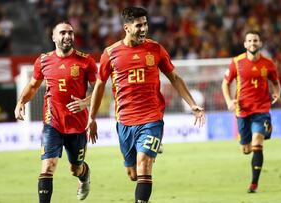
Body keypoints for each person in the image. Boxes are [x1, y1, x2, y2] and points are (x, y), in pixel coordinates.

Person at [86, 7, 205, 203]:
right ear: (126, 27)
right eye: (138, 25)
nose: (144, 29)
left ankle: (151, 146)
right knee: (133, 173)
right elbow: (99, 86)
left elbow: (174, 77)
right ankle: (150, 148)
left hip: (152, 118)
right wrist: (92, 117)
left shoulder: (155, 49)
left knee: (144, 165)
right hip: (124, 121)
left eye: (145, 24)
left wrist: (192, 104)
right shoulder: (110, 53)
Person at [14, 21, 97, 203]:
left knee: (75, 168)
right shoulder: (43, 60)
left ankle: (84, 175)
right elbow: (33, 86)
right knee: (48, 166)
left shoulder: (86, 61)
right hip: (53, 122)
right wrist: (21, 101)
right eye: (62, 33)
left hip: (77, 124)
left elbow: (98, 89)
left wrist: (85, 103)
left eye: (70, 33)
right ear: (53, 37)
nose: (67, 36)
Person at [221, 30, 281, 193]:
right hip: (242, 110)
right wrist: (228, 101)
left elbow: (276, 83)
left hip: (262, 109)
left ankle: (253, 184)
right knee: (246, 149)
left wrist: (277, 93)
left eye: (256, 40)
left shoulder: (268, 63)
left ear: (260, 43)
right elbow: (225, 83)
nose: (253, 43)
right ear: (245, 44)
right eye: (250, 41)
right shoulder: (236, 62)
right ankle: (246, 141)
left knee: (257, 143)